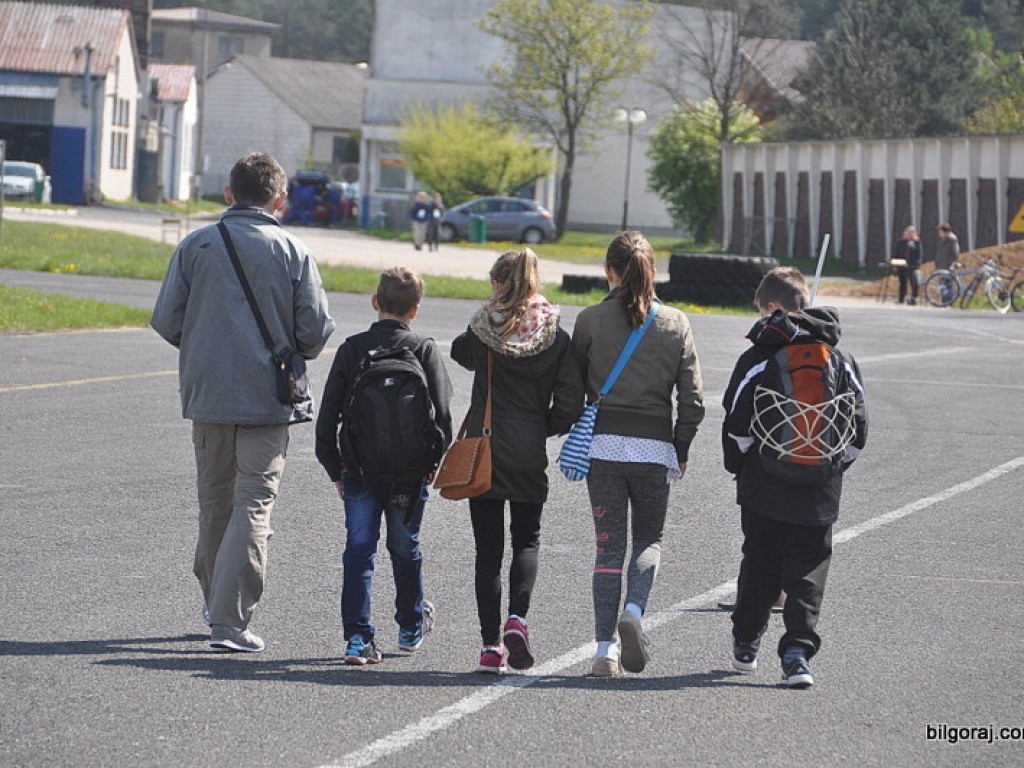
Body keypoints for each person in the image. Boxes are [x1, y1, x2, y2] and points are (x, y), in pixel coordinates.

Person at [151, 152, 336, 653]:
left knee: (214, 503)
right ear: (280, 198)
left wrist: (210, 347)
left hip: (207, 396)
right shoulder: (293, 250)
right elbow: (314, 333)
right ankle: (229, 621)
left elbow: (167, 320)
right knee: (253, 502)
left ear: (229, 193)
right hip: (267, 399)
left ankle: (215, 601)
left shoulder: (196, 245)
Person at [722, 267, 867, 688]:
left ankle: (746, 642)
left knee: (760, 561)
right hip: (819, 487)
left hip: (763, 484)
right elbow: (857, 427)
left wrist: (744, 468)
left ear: (773, 307)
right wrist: (831, 466)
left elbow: (735, 422)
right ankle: (798, 654)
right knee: (807, 569)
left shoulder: (759, 355)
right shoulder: (839, 357)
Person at [571, 232, 705, 678]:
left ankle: (604, 650)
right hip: (652, 447)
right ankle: (634, 609)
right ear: (654, 272)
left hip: (603, 446)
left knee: (608, 549)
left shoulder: (589, 320)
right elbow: (694, 400)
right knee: (649, 541)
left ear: (610, 272)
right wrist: (680, 445)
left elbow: (572, 389)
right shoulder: (676, 323)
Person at [451, 248, 584, 674]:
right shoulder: (555, 334)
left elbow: (458, 352)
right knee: (527, 539)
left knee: (488, 549)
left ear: (497, 282)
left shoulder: (482, 330)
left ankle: (491, 647)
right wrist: (537, 427)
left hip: (484, 447)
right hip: (528, 449)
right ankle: (518, 620)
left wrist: (489, 312)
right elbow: (569, 405)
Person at [315, 267, 453, 665]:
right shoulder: (423, 347)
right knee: (404, 545)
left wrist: (335, 467)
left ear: (375, 302)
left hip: (359, 469)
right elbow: (441, 414)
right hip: (411, 471)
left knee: (359, 549)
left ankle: (358, 639)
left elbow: (329, 418)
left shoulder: (353, 348)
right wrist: (433, 463)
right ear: (415, 309)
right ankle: (410, 626)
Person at [892, 225, 923, 304]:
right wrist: (896, 263)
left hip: (912, 265)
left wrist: (917, 263)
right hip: (902, 264)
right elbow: (897, 252)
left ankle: (913, 298)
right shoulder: (901, 241)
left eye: (911, 233)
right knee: (902, 282)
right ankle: (901, 298)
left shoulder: (916, 242)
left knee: (914, 282)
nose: (909, 235)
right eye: (908, 232)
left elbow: (919, 253)